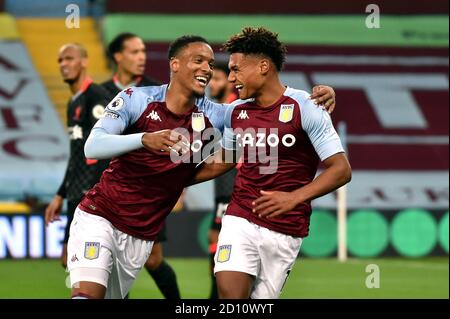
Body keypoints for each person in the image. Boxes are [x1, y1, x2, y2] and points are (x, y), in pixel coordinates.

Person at [67, 34, 337, 299]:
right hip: (99, 215)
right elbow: (93, 146)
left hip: (142, 234)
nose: (207, 69)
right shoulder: (135, 99)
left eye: (210, 64)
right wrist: (144, 139)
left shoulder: (221, 114)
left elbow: (266, 104)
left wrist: (322, 96)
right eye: (198, 60)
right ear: (175, 64)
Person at [193, 27, 352, 299]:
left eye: (237, 69)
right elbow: (226, 159)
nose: (231, 78)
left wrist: (293, 198)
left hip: (285, 227)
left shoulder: (307, 106)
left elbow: (341, 170)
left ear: (264, 66)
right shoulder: (236, 111)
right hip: (240, 216)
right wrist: (173, 179)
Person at [102, 32, 180, 299]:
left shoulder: (157, 92)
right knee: (110, 262)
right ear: (118, 57)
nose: (141, 57)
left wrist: (180, 188)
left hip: (148, 190)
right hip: (109, 190)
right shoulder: (100, 94)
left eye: (143, 51)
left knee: (153, 259)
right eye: (134, 52)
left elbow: (173, 142)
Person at [44, 43, 110, 269]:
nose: (63, 65)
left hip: (92, 196)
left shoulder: (97, 97)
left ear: (84, 61)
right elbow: (76, 155)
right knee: (71, 260)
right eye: (60, 61)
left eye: (69, 59)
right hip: (75, 194)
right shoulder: (73, 103)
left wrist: (96, 192)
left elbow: (106, 149)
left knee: (86, 262)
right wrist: (60, 194)